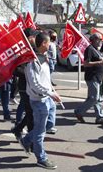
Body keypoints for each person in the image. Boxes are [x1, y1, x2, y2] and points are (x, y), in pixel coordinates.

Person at [19, 32, 62, 170]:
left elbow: (46, 80)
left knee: (49, 125)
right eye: (48, 42)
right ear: (43, 43)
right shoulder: (32, 62)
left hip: (48, 99)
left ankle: (26, 140)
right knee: (39, 131)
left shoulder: (45, 58)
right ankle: (41, 158)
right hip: (38, 101)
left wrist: (52, 92)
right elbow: (34, 84)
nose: (50, 45)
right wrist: (50, 93)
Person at [74, 33, 103, 125]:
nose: (101, 41)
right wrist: (100, 62)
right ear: (93, 39)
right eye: (99, 39)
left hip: (99, 77)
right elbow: (86, 63)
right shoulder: (89, 49)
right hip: (92, 77)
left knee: (99, 99)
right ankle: (79, 112)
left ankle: (100, 118)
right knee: (93, 98)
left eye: (101, 40)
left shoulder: (97, 50)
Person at [11, 28, 39, 139]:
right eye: (34, 36)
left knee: (31, 112)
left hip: (33, 87)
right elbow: (16, 70)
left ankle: (18, 129)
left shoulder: (34, 49)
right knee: (31, 113)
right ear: (30, 38)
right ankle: (30, 141)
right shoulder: (22, 51)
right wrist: (29, 73)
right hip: (25, 86)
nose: (36, 38)